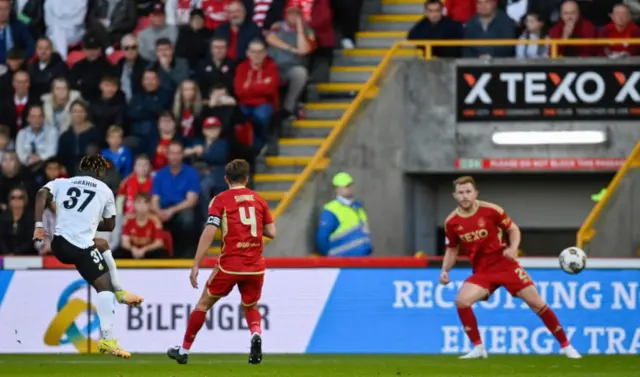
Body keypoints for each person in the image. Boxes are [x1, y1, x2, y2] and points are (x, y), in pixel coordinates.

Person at [441, 176, 581, 359]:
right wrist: (445, 270)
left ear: (475, 193)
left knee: (537, 304)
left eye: (468, 192)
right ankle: (478, 347)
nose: (465, 196)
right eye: (461, 192)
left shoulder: (491, 210)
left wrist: (513, 248)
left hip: (505, 264)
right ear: (455, 196)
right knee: (462, 301)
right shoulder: (451, 222)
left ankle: (565, 345)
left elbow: (513, 229)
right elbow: (452, 248)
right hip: (483, 271)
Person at [32, 155, 144, 358]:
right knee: (105, 288)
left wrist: (39, 225)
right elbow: (110, 225)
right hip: (79, 247)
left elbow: (41, 194)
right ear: (101, 172)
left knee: (101, 244)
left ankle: (120, 292)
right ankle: (108, 339)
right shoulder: (105, 190)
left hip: (59, 244)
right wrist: (91, 222)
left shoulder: (62, 182)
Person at [167, 159, 276, 365]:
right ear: (247, 178)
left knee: (203, 304)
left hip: (230, 264)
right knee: (250, 305)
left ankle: (183, 350)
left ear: (226, 179)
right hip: (255, 265)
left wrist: (196, 263)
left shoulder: (220, 200)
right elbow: (271, 232)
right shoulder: (259, 200)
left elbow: (210, 231)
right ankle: (256, 334)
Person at [316, 172, 372, 256]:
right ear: (337, 189)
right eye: (346, 186)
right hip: (341, 262)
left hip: (362, 260)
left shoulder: (358, 208)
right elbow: (322, 238)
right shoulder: (331, 210)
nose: (349, 188)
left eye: (350, 184)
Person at [117, 192, 168, 259]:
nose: (141, 206)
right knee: (117, 254)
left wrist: (144, 249)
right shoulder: (128, 219)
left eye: (145, 203)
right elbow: (124, 242)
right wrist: (133, 249)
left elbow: (159, 243)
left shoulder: (155, 220)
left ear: (149, 206)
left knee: (161, 254)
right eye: (139, 203)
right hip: (133, 249)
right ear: (134, 204)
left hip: (149, 250)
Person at [0, 187, 37, 255]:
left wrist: (15, 253)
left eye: (20, 197)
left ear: (25, 200)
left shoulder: (30, 218)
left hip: (26, 256)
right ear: (9, 201)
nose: (17, 200)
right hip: (5, 256)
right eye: (13, 197)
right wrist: (7, 253)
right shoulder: (3, 217)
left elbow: (30, 241)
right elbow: (2, 239)